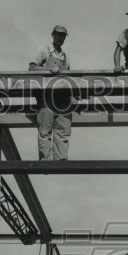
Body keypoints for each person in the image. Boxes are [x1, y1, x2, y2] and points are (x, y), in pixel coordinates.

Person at [29, 24, 73, 160]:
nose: (60, 38)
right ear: (52, 35)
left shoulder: (66, 57)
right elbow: (31, 68)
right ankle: (45, 160)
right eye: (58, 35)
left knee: (63, 129)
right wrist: (49, 71)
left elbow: (69, 77)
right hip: (46, 95)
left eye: (63, 36)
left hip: (62, 97)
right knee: (45, 129)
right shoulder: (45, 51)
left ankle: (61, 160)